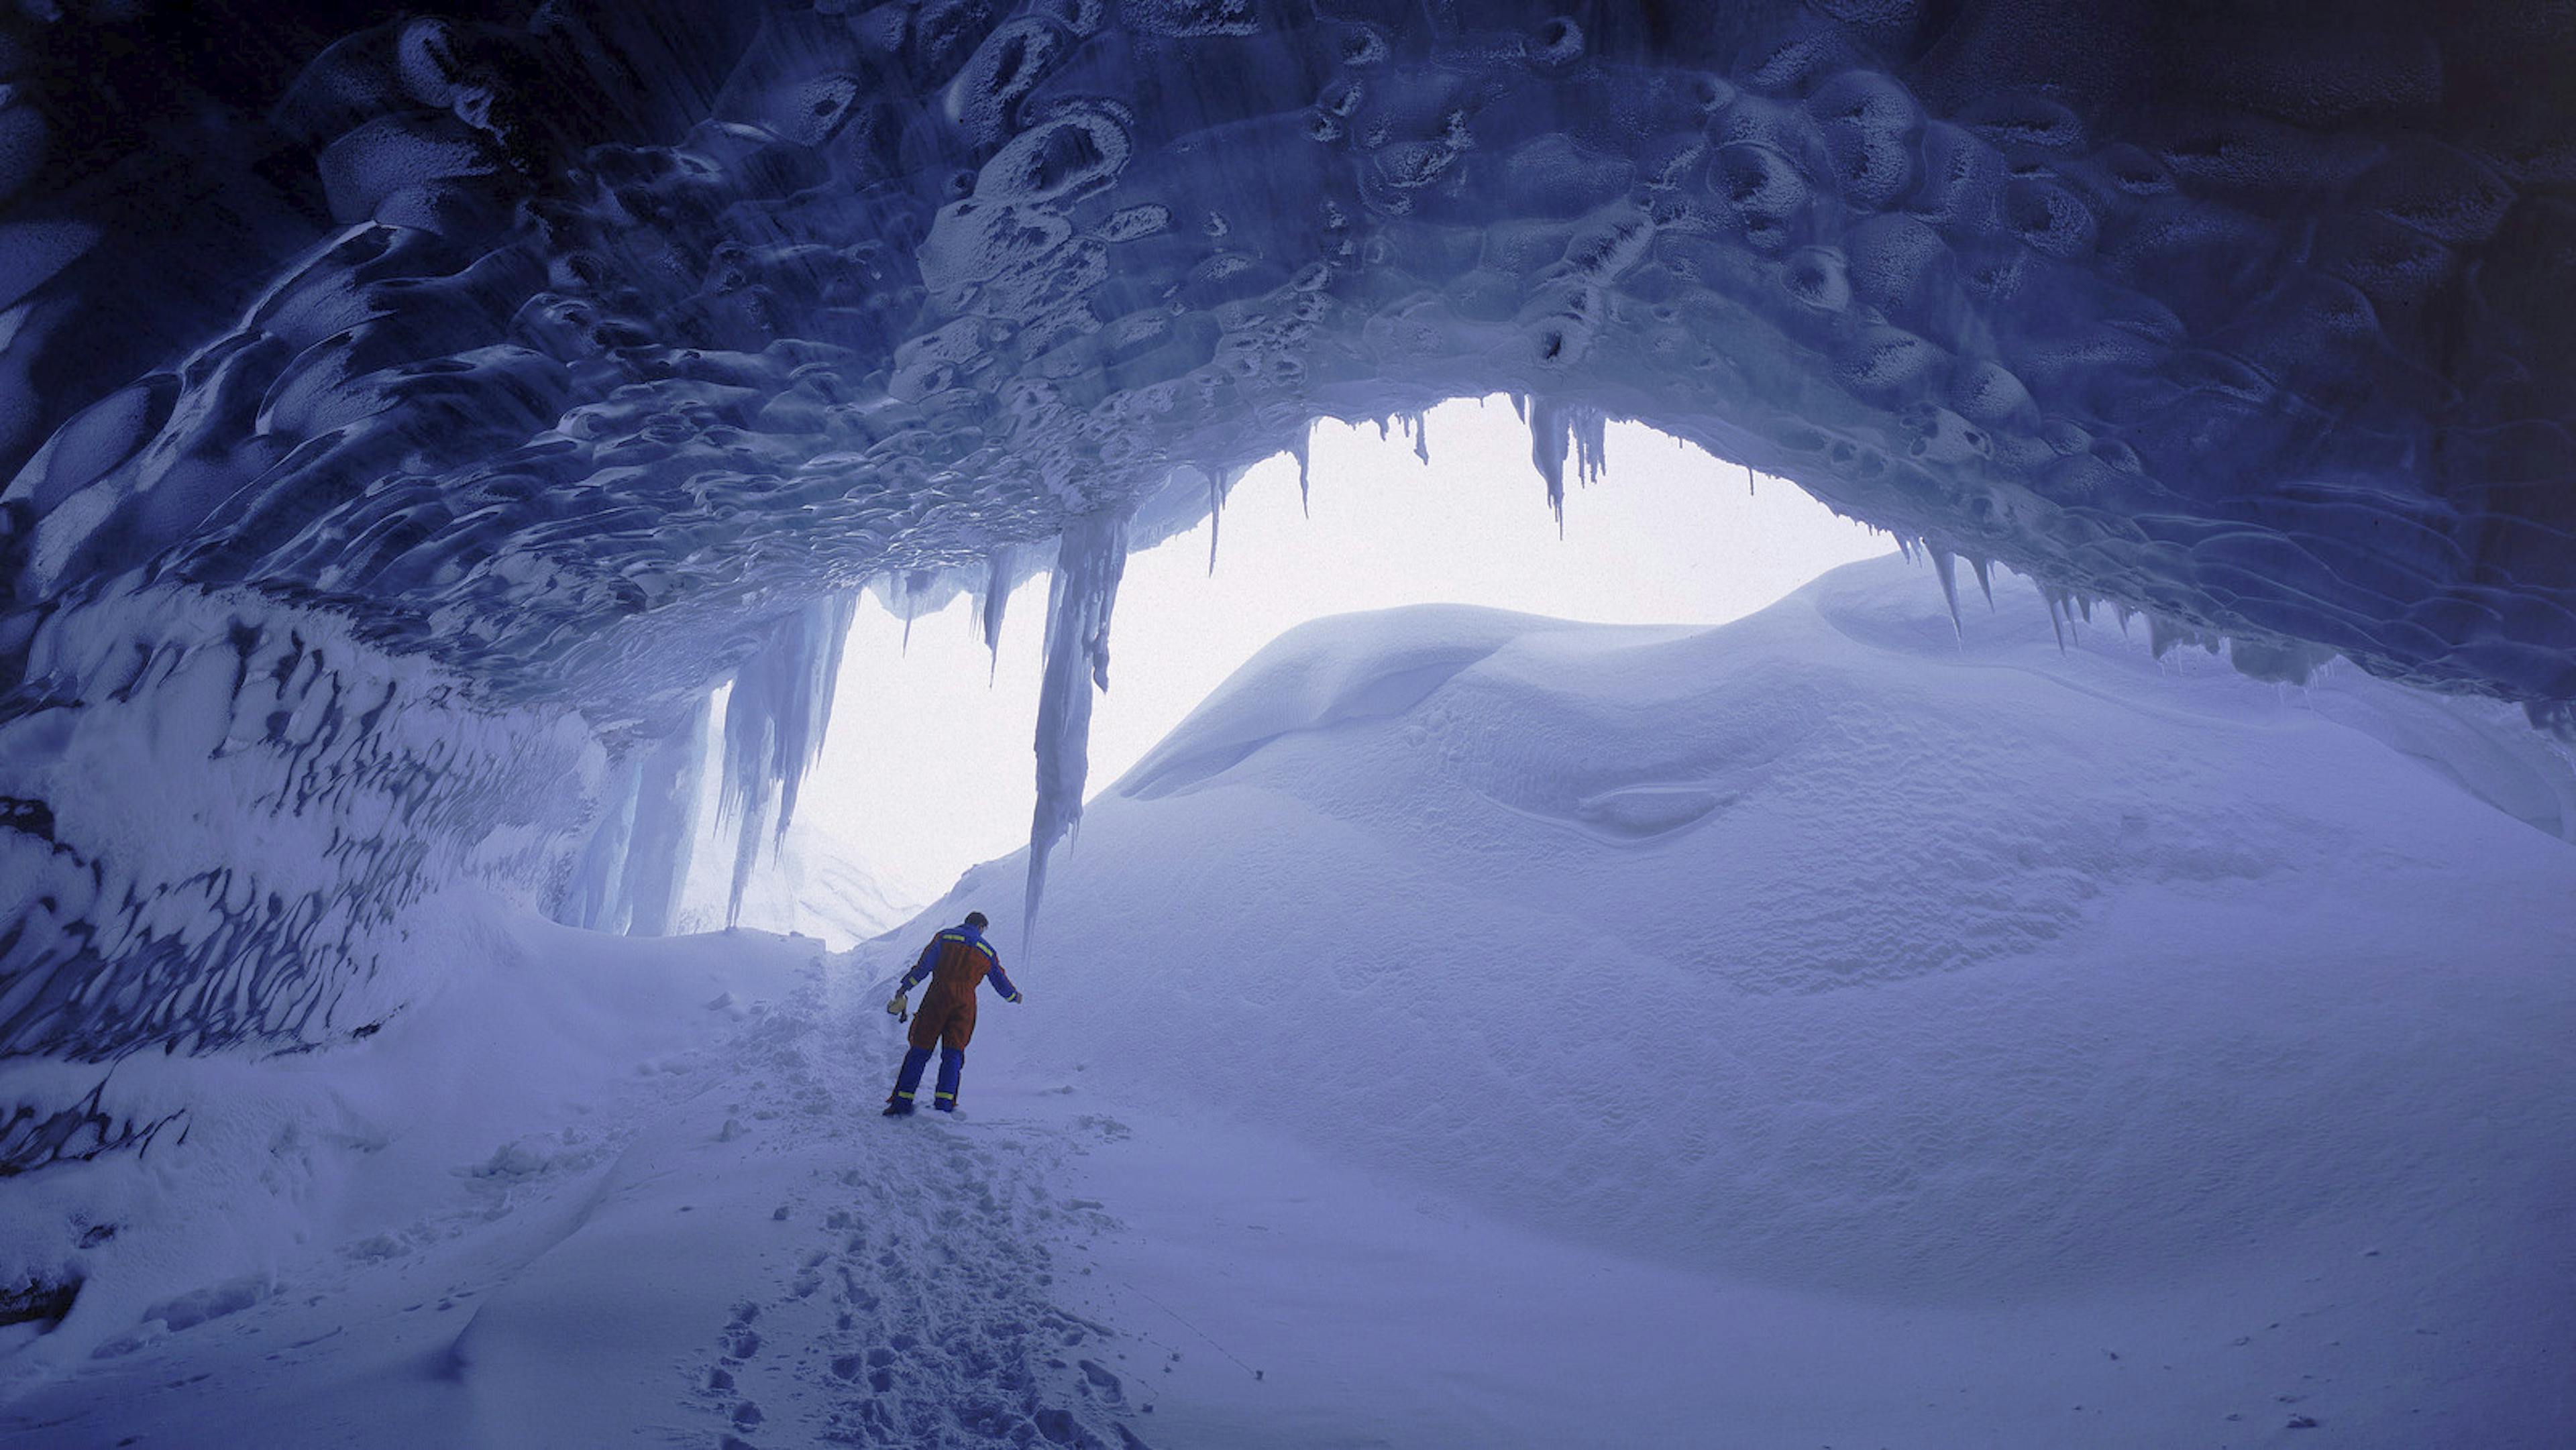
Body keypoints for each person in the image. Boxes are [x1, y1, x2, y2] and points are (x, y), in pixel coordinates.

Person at [882, 910, 1022, 1115]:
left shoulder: (945, 936)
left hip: (937, 997)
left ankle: (902, 1102)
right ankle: (944, 1105)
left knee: (920, 1049)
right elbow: (999, 981)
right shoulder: (987, 950)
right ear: (981, 928)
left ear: (965, 923)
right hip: (965, 1004)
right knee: (954, 1053)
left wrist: (905, 987)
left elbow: (923, 967)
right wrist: (1014, 997)